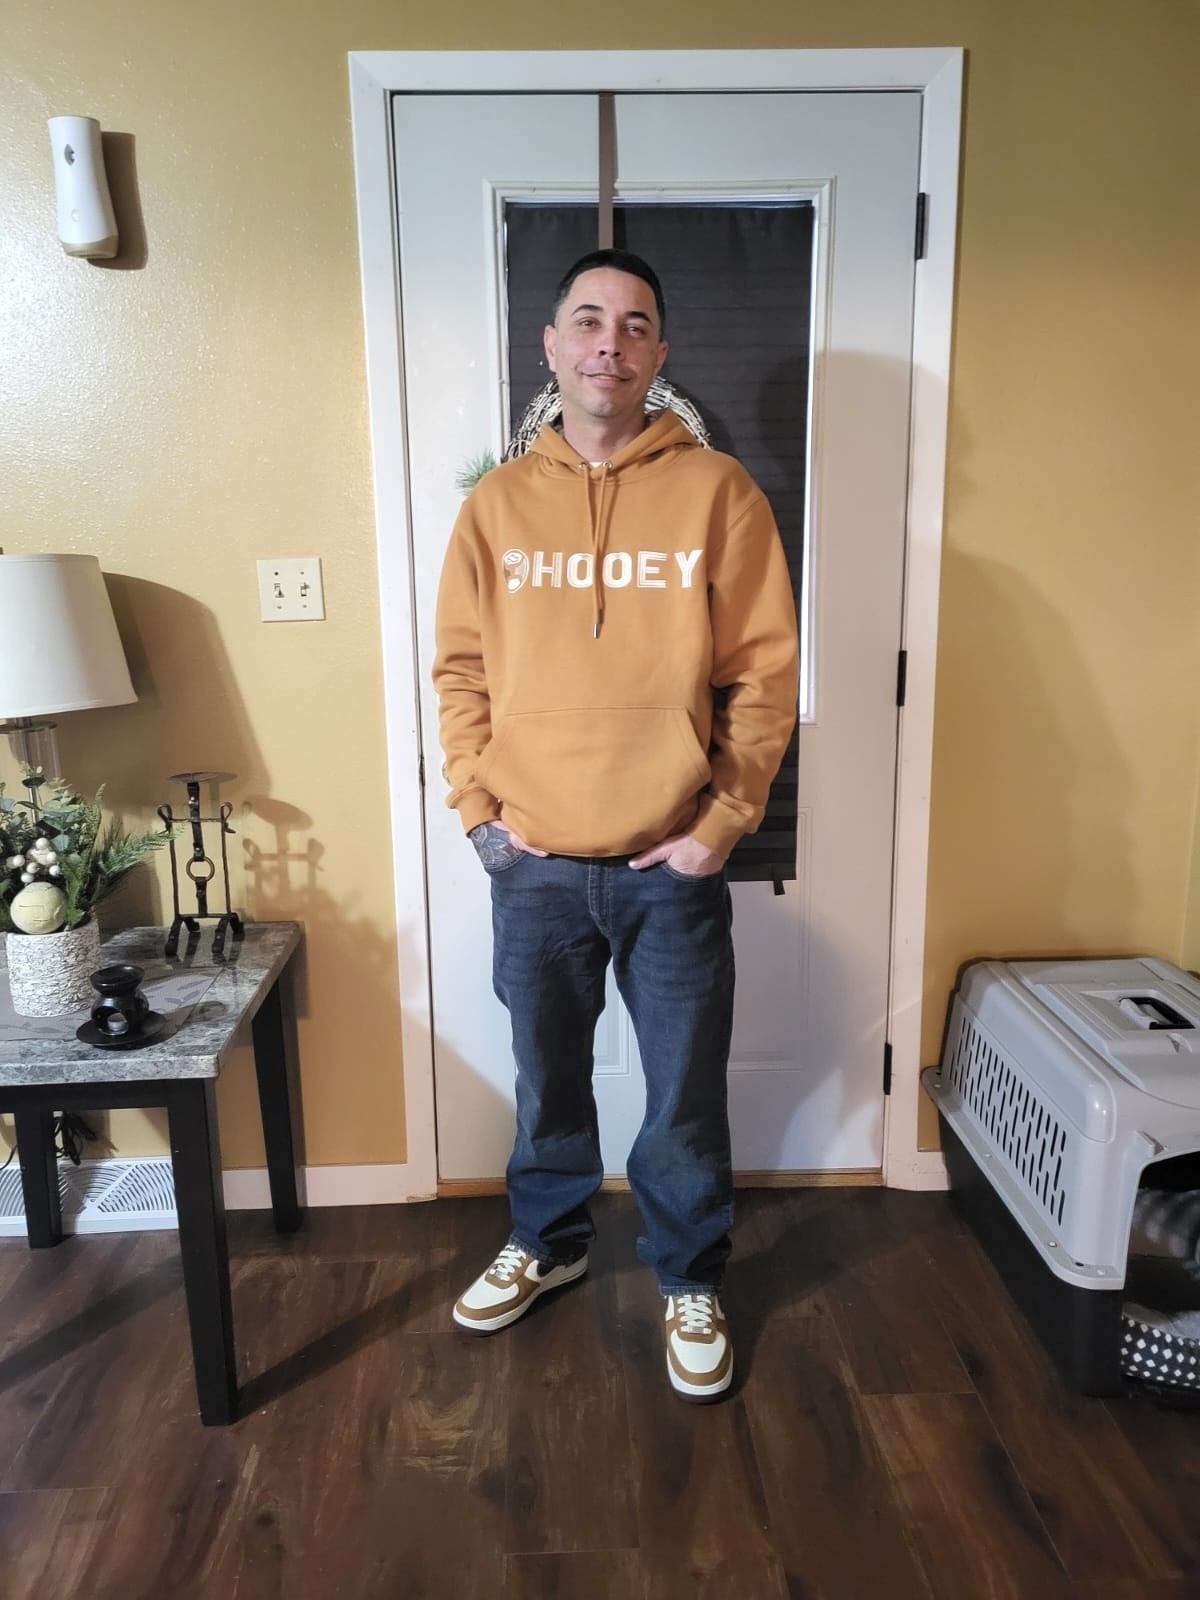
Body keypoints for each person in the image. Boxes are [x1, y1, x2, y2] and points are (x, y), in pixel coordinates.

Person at [432, 248, 798, 1400]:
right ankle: (547, 1245)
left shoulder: (718, 493)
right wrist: (481, 815)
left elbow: (764, 676)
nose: (610, 342)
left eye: (635, 324)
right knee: (547, 1080)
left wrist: (722, 822)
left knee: (683, 1092)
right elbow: (459, 672)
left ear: (660, 353)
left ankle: (688, 1275)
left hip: (669, 865)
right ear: (551, 346)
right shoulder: (496, 507)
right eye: (587, 320)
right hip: (533, 864)